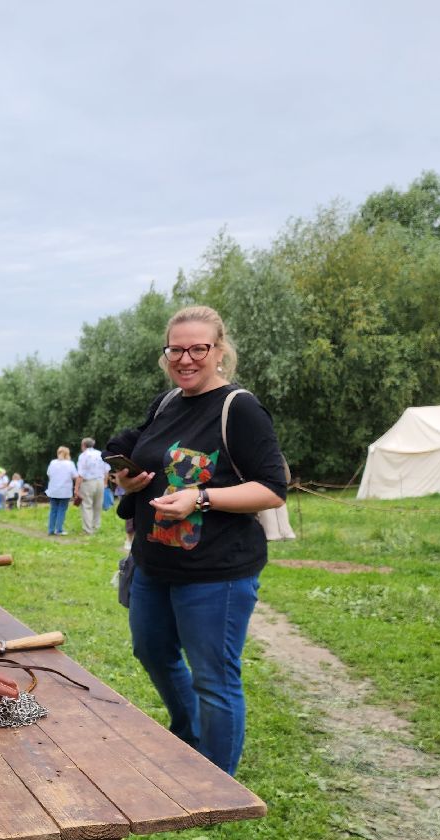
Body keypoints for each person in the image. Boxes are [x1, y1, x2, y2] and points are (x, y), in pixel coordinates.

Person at [106, 305, 286, 777]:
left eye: (197, 349)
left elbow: (271, 489)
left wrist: (200, 499)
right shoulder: (166, 404)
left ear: (219, 350)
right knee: (152, 652)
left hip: (216, 573)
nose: (185, 359)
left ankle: (217, 781)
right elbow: (141, 457)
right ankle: (188, 735)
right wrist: (128, 481)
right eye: (176, 349)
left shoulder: (238, 408)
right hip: (153, 566)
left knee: (214, 678)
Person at [76, 437, 109, 535]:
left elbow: (80, 473)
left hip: (88, 482)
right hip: (100, 481)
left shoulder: (83, 455)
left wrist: (76, 488)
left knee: (87, 505)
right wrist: (105, 483)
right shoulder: (100, 454)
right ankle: (96, 527)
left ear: (84, 445)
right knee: (98, 505)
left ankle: (88, 529)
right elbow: (106, 469)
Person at [45, 446, 76, 535]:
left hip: (53, 490)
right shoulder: (70, 463)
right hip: (64, 491)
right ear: (67, 454)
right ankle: (59, 529)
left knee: (53, 509)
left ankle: (51, 530)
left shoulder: (52, 462)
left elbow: (49, 474)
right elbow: (75, 476)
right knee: (61, 509)